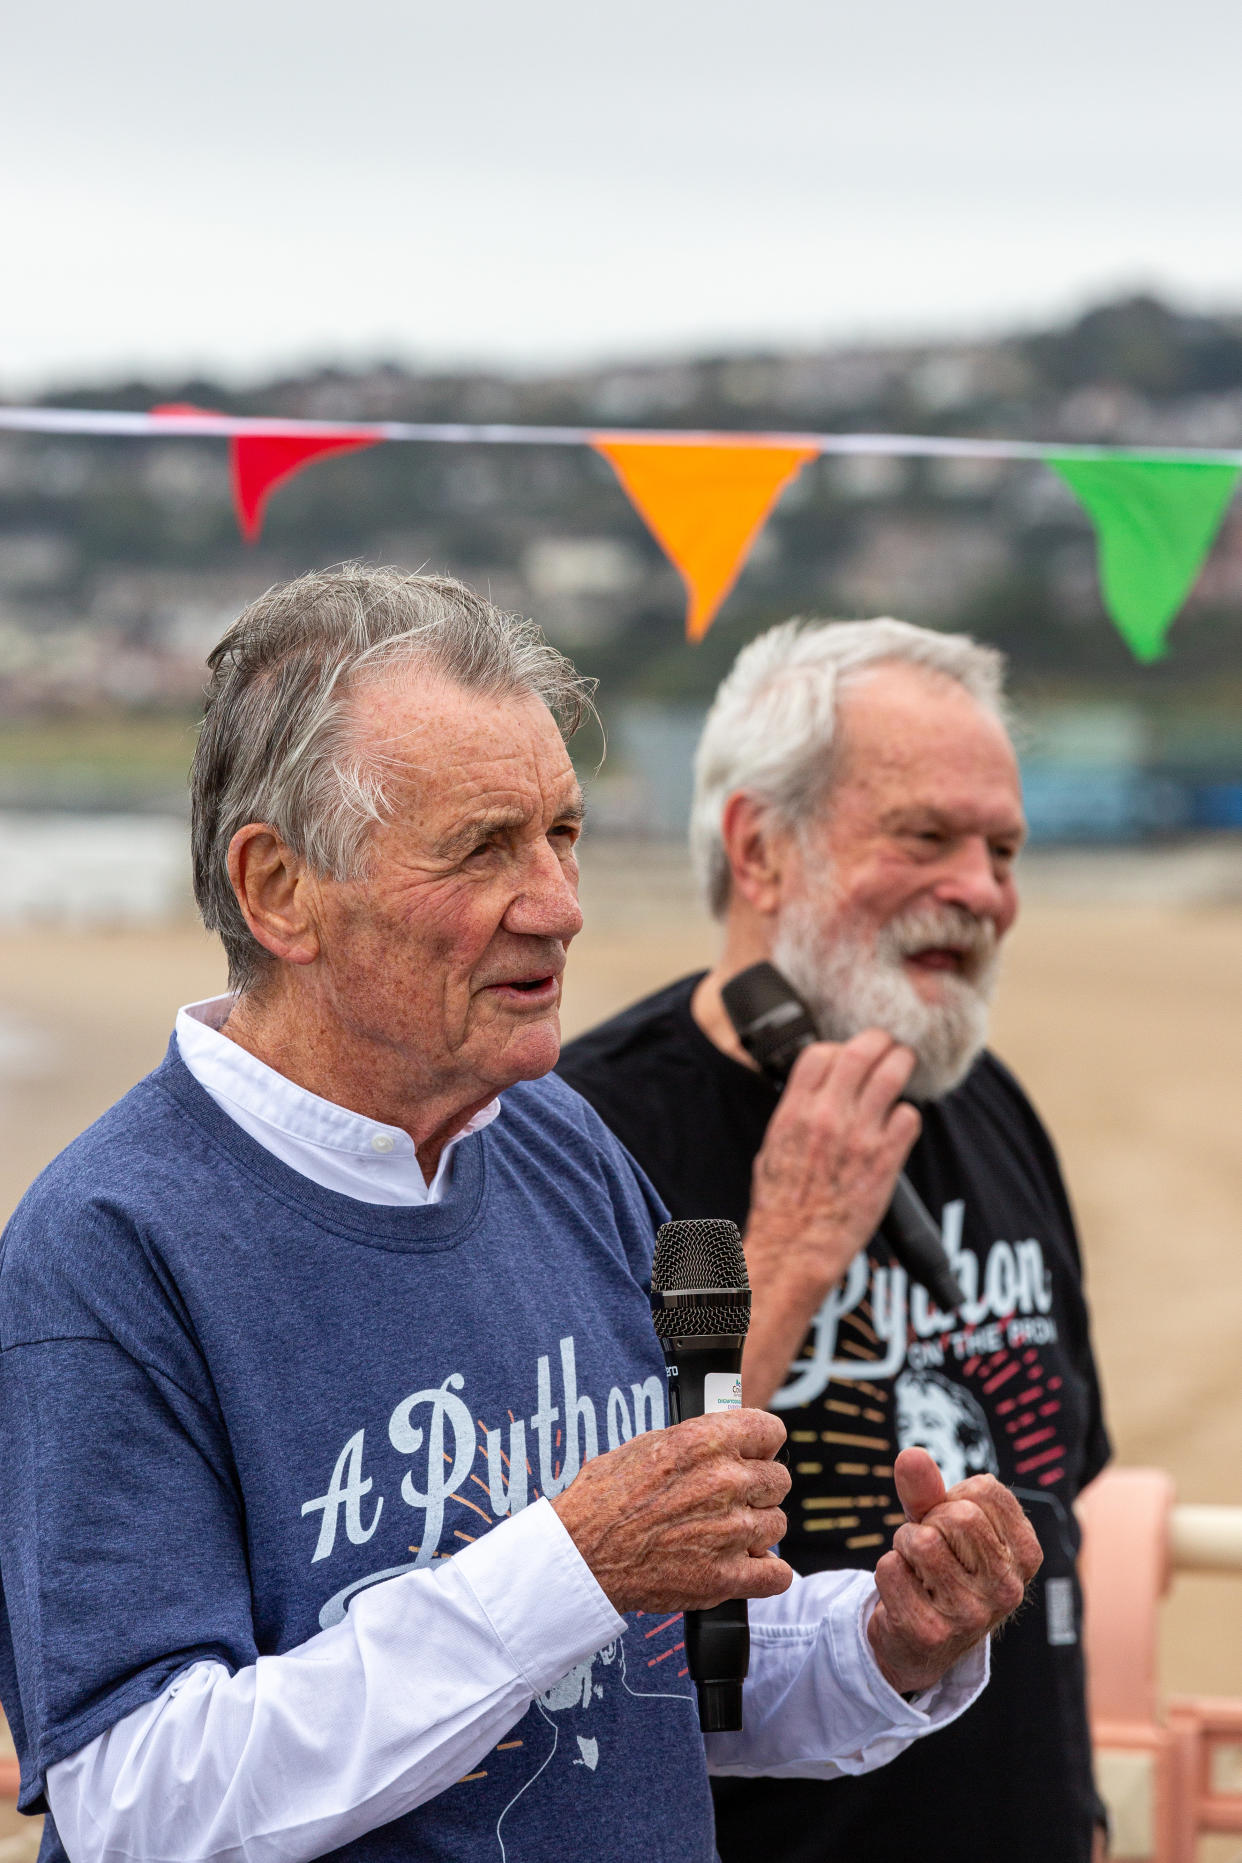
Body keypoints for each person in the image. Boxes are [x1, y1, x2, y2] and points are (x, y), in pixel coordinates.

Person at [0, 572, 1041, 1863]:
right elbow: (137, 1802)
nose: (559, 901)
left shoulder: (561, 1143)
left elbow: (658, 1677)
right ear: (278, 888)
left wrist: (885, 1642)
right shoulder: (107, 1243)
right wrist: (571, 1557)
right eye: (484, 846)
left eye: (563, 831)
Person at [558, 617, 1110, 1863]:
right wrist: (792, 1250)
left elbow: (1067, 1498)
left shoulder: (991, 1104)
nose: (982, 890)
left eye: (1004, 848)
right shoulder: (585, 1138)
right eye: (925, 837)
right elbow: (547, 1565)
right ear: (759, 848)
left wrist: (1077, 1804)